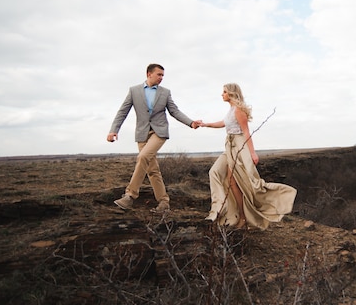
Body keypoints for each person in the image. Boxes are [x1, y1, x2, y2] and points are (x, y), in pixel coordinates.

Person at [200, 83, 296, 229]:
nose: (222, 94)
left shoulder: (238, 110)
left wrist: (252, 153)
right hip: (229, 146)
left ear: (231, 93)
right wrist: (205, 124)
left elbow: (246, 132)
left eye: (224, 92)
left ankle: (246, 216)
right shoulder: (231, 110)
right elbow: (223, 123)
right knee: (214, 172)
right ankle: (219, 209)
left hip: (239, 146)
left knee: (245, 182)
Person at [107, 63, 200, 213]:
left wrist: (191, 122)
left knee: (143, 157)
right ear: (149, 74)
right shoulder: (134, 91)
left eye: (163, 75)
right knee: (152, 170)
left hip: (159, 132)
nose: (161, 78)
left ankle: (130, 196)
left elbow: (174, 111)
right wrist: (113, 130)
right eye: (159, 74)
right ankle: (164, 203)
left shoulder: (165, 92)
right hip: (142, 134)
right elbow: (122, 112)